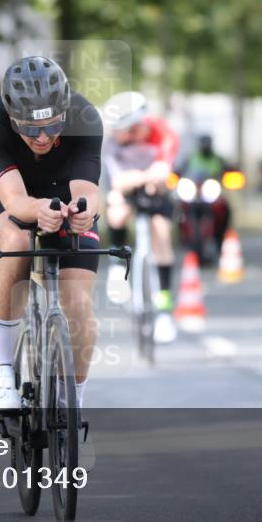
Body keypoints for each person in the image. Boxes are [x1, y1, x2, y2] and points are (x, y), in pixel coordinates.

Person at [0, 56, 102, 412]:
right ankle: (0, 368)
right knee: (16, 242)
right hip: (9, 185)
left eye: (52, 126)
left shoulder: (84, 115)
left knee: (78, 303)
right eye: (29, 129)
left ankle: (72, 402)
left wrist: (83, 213)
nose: (42, 137)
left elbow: (87, 191)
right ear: (12, 119)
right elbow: (15, 202)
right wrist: (40, 212)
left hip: (63, 184)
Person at [101, 91, 179, 344]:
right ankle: (116, 267)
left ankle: (164, 311)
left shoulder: (160, 130)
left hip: (157, 192)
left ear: (134, 126)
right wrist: (146, 176)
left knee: (162, 236)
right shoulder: (112, 144)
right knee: (116, 209)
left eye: (119, 129)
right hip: (129, 189)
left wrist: (152, 177)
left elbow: (164, 169)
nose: (114, 135)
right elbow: (119, 181)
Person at [176, 133, 234, 256]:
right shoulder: (191, 158)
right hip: (195, 194)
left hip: (211, 193)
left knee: (225, 208)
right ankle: (182, 236)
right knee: (179, 209)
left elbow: (228, 170)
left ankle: (220, 238)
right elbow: (181, 170)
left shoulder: (217, 159)